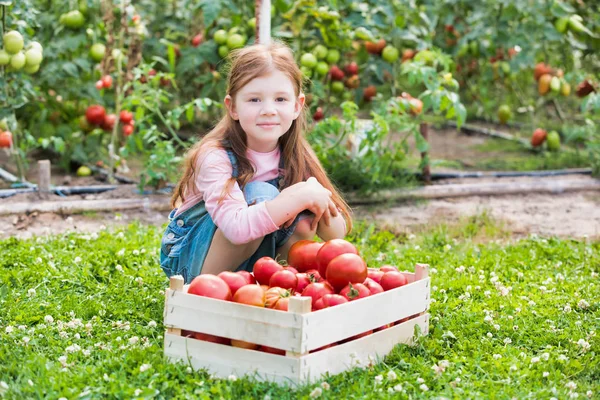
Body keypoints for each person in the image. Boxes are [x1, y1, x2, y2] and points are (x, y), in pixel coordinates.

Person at [160, 41, 352, 284]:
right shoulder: (215, 156)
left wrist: (314, 195)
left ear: (297, 106)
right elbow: (237, 230)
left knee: (302, 219)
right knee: (262, 194)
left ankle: (275, 288)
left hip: (255, 263)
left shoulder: (293, 154)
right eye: (254, 100)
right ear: (233, 107)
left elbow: (338, 233)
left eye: (280, 99)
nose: (269, 110)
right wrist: (294, 198)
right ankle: (209, 294)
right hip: (195, 263)